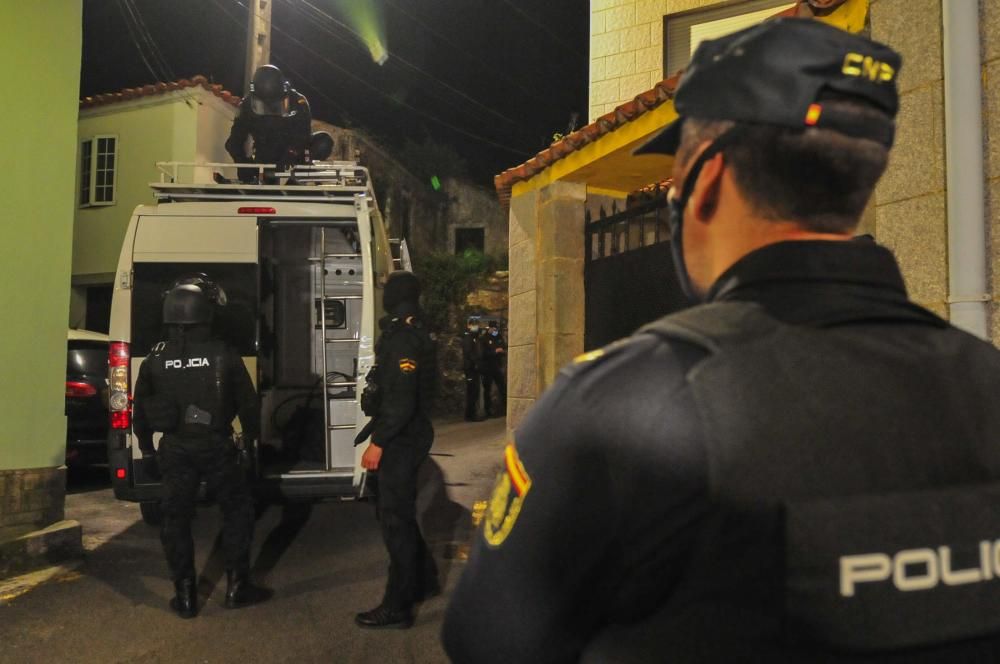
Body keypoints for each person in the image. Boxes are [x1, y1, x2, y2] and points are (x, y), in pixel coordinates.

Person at [442, 18, 1000, 662]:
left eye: (674, 172)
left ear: (706, 177)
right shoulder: (983, 380)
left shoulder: (624, 406)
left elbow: (486, 640)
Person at [133, 283, 271, 619]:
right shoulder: (224, 354)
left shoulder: (154, 360)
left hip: (176, 451)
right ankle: (238, 586)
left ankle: (185, 596)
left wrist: (147, 449)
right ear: (204, 316)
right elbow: (249, 407)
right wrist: (251, 443)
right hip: (217, 448)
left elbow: (141, 412)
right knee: (237, 512)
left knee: (175, 520)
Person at [356, 271, 439, 629]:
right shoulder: (409, 330)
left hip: (401, 438)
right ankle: (424, 581)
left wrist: (379, 442)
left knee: (395, 522)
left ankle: (398, 606)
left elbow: (402, 400)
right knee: (399, 516)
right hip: (407, 434)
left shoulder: (403, 338)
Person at [225, 64, 312, 182]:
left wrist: (292, 153)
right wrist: (243, 164)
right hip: (265, 150)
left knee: (322, 143)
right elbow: (233, 142)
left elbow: (304, 135)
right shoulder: (247, 105)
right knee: (266, 177)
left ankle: (296, 182)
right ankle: (262, 181)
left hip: (293, 148)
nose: (270, 111)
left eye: (275, 105)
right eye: (264, 105)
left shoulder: (298, 102)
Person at [478, 320, 506, 418]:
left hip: (497, 366)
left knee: (502, 387)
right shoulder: (483, 339)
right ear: (489, 328)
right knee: (487, 389)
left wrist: (501, 351)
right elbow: (482, 354)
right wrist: (495, 351)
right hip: (487, 367)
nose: (495, 330)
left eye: (496, 329)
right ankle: (488, 411)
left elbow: (503, 346)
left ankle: (505, 408)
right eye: (493, 329)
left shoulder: (497, 336)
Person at [460, 317, 484, 421]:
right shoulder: (468, 338)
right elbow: (469, 353)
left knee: (474, 391)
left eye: (476, 324)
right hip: (470, 368)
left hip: (473, 367)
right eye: (473, 324)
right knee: (472, 391)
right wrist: (475, 363)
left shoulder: (473, 337)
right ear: (468, 326)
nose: (475, 326)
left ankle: (471, 414)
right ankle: (470, 415)